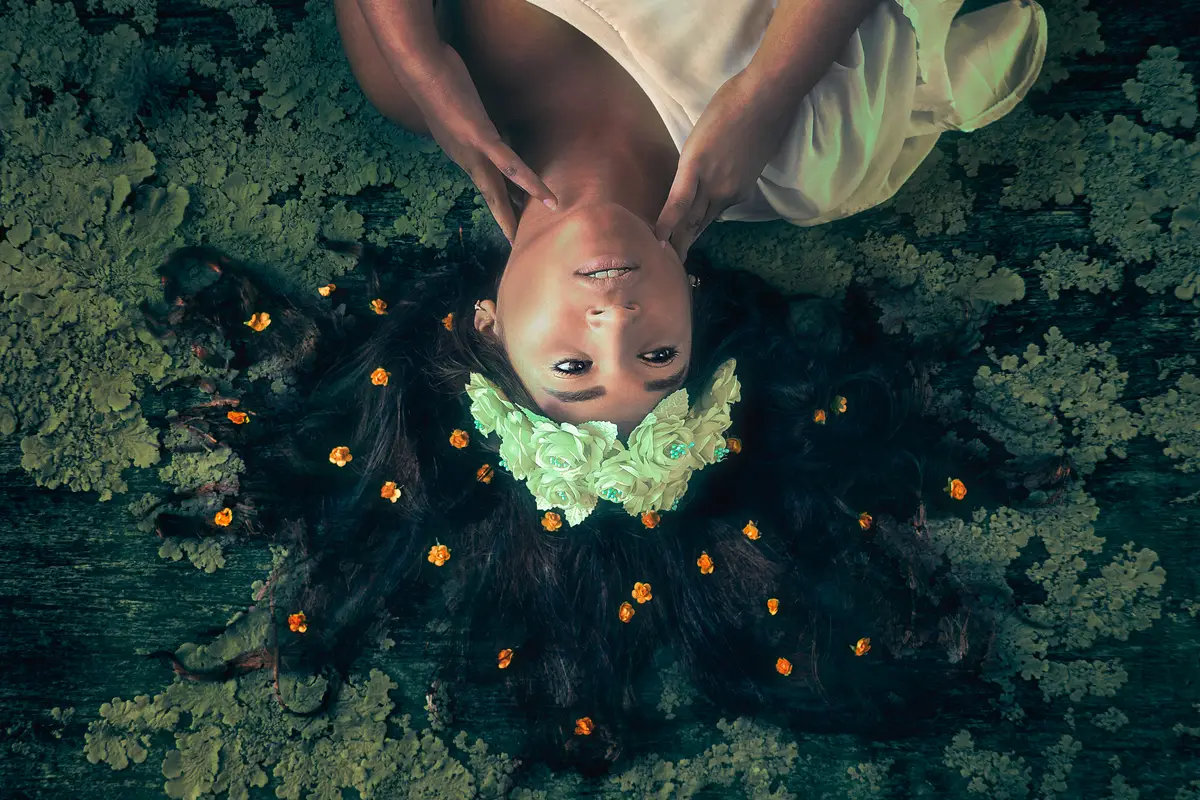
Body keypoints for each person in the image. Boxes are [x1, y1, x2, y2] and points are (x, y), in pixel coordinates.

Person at [139, 0, 1051, 771]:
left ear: (484, 329)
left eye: (573, 370)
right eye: (659, 361)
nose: (615, 322)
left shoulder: (410, 75)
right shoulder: (815, 159)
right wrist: (770, 89)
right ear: (695, 313)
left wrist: (423, 64)